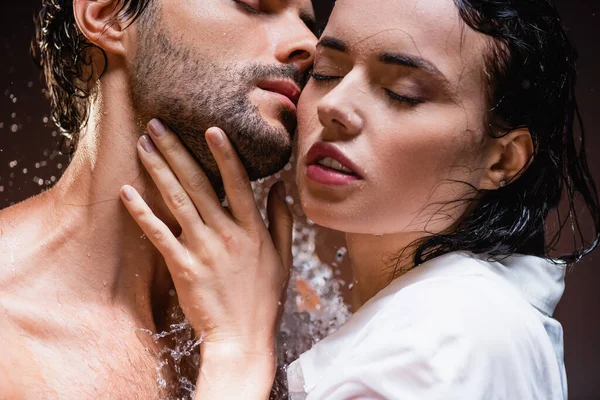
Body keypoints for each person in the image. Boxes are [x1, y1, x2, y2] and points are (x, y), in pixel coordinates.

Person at [121, 0, 600, 398]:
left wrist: (238, 349)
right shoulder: (449, 318)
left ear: (502, 160)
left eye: (401, 92)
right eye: (327, 72)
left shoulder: (448, 339)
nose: (332, 106)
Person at [0, 0, 316, 398]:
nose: (310, 44)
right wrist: (238, 356)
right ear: (108, 15)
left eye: (307, 22)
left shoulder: (299, 311)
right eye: (253, 4)